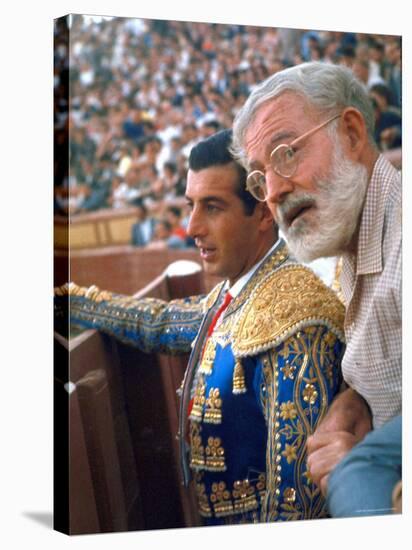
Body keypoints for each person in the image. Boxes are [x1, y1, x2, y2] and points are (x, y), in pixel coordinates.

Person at [55, 129, 345, 525]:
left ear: (263, 212)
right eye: (191, 205)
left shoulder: (295, 314)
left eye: (212, 207)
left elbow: (299, 502)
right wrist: (74, 303)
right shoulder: (243, 292)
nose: (192, 227)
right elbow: (160, 322)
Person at [232, 61, 401, 516]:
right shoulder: (350, 245)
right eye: (259, 175)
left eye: (287, 152)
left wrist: (367, 476)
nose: (272, 191)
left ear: (350, 132)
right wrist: (357, 399)